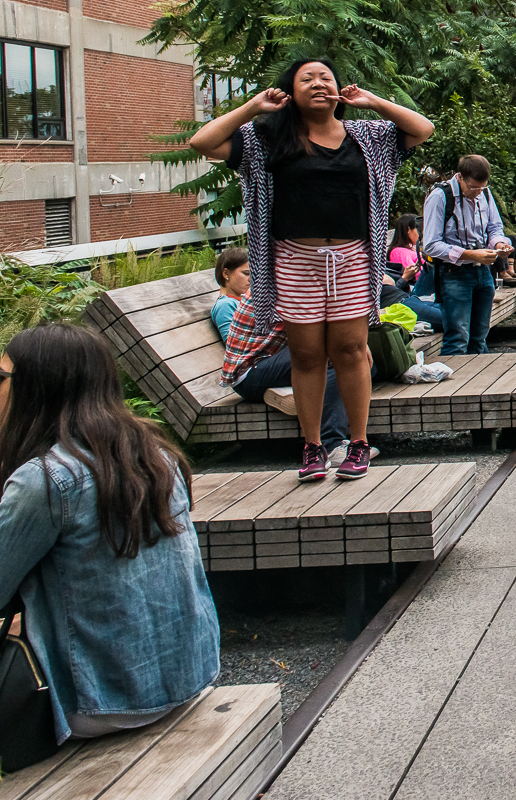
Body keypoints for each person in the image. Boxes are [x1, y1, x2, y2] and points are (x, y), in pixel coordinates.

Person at [0, 323, 219, 743]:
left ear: (39, 388)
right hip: (188, 676)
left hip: (103, 704)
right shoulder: (154, 453)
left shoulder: (45, 480)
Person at [189, 58, 434, 482]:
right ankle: (313, 446)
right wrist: (253, 106)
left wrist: (373, 102)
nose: (319, 83)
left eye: (326, 78)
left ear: (339, 89)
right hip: (294, 261)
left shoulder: (367, 137)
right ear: (290, 91)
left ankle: (357, 443)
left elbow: (422, 129)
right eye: (307, 79)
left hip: (354, 259)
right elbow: (203, 142)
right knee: (306, 355)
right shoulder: (266, 138)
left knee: (351, 351)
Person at [211, 248, 368, 471]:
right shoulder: (287, 282)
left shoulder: (297, 277)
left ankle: (347, 441)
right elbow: (317, 335)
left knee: (358, 362)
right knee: (337, 357)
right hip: (250, 372)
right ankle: (331, 444)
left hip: (268, 362)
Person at [421, 155, 513, 356]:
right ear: (460, 177)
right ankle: (454, 386)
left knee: (480, 337)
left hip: (483, 273)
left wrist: (499, 244)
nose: (477, 192)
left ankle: (479, 385)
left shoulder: (485, 194)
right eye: (473, 188)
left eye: (482, 187)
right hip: (453, 274)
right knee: (458, 337)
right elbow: (430, 245)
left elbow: (495, 227)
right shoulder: (440, 197)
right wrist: (470, 254)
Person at [386, 214, 444, 331]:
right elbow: (414, 275)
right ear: (408, 230)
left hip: (409, 297)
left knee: (462, 314)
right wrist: (405, 278)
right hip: (411, 293)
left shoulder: (411, 249)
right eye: (419, 230)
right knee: (433, 264)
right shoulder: (398, 252)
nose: (421, 233)